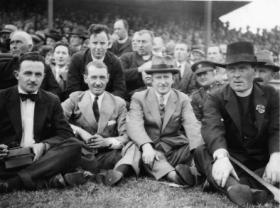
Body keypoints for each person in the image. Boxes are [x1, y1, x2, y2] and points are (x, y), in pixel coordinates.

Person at [194, 41, 280, 207]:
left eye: (242, 69)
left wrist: (276, 157)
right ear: (226, 72)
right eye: (231, 69)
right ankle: (239, 187)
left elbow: (277, 129)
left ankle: (232, 186)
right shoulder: (215, 97)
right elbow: (212, 127)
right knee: (201, 151)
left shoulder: (271, 94)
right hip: (232, 161)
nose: (236, 75)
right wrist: (221, 156)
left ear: (254, 71)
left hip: (263, 161)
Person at [0, 53, 82, 193]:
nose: (33, 79)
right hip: (7, 159)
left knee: (74, 145)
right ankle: (45, 179)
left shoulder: (52, 100)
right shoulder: (2, 97)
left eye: (38, 74)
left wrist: (44, 145)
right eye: (28, 73)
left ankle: (14, 182)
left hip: (38, 159)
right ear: (16, 74)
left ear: (43, 76)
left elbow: (66, 134)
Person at [127, 56, 203, 186]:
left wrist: (198, 152)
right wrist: (146, 146)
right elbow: (135, 124)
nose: (163, 82)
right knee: (138, 149)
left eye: (166, 77)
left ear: (173, 79)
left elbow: (192, 125)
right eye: (158, 78)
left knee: (200, 146)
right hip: (151, 149)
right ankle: (174, 176)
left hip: (174, 148)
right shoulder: (139, 97)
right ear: (151, 80)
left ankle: (195, 171)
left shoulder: (182, 98)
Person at [62, 61, 140, 186]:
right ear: (85, 78)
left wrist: (107, 142)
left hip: (107, 155)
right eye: (93, 77)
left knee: (133, 146)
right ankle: (95, 174)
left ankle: (116, 173)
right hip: (82, 153)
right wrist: (81, 132)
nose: (98, 83)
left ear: (108, 78)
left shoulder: (118, 103)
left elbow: (125, 134)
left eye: (102, 77)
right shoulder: (75, 99)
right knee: (62, 145)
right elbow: (57, 121)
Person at [66, 24, 126, 99]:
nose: (98, 47)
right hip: (82, 103)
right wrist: (90, 101)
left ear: (108, 43)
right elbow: (72, 89)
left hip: (108, 104)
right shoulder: (77, 59)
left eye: (102, 43)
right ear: (89, 43)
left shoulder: (115, 62)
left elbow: (120, 90)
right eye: (95, 43)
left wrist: (102, 101)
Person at [0, 30, 61, 96]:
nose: (14, 46)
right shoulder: (3, 67)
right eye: (12, 43)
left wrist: (43, 99)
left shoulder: (43, 67)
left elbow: (55, 90)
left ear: (30, 47)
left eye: (18, 42)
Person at [120, 29, 154, 98]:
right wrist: (139, 69)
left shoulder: (157, 60)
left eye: (144, 42)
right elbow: (120, 75)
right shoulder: (126, 57)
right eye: (138, 41)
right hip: (130, 98)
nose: (140, 45)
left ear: (152, 43)